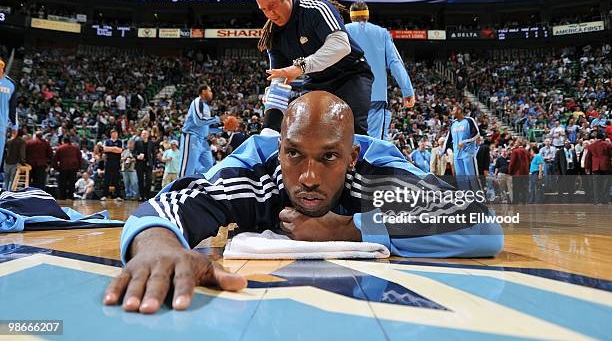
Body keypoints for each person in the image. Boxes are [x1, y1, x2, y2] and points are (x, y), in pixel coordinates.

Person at [103, 91, 503, 314]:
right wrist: (158, 248)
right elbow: (171, 204)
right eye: (295, 155)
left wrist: (349, 228)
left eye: (328, 157)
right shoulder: (254, 170)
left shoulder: (379, 170)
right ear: (279, 152)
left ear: (352, 158)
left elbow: (481, 225)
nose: (309, 177)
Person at [256, 0, 373, 135]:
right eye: (264, 10)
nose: (270, 14)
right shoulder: (273, 34)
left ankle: (366, 160)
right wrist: (269, 128)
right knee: (304, 132)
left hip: (350, 75)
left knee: (352, 131)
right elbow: (279, 80)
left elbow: (341, 45)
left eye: (272, 6)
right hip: (316, 81)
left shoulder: (316, 9)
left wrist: (300, 67)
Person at [345, 1, 415, 140]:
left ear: (351, 17)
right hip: (375, 96)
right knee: (375, 145)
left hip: (347, 97)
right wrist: (407, 91)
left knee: (349, 144)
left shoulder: (342, 31)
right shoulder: (382, 33)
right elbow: (395, 63)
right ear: (367, 16)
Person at [178, 85, 221, 177]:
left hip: (203, 141)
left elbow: (204, 126)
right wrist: (217, 119)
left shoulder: (206, 107)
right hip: (192, 137)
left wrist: (213, 135)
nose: (211, 93)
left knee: (208, 168)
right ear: (203, 91)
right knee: (187, 169)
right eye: (210, 91)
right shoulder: (197, 101)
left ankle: (201, 188)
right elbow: (199, 121)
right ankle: (180, 189)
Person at [444, 105, 481, 192]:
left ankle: (478, 197)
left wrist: (464, 142)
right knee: (461, 179)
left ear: (459, 110)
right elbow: (448, 138)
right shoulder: (453, 123)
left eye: (453, 109)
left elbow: (477, 134)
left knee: (472, 177)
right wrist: (443, 150)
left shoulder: (469, 120)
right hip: (457, 155)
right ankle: (465, 198)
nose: (452, 112)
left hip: (468, 154)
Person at [0, 58, 18, 169]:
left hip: (2, 126)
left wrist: (14, 125)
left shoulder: (11, 84)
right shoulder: (10, 83)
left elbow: (12, 107)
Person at [585, 132, 611, 204]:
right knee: (606, 184)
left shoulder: (591, 146)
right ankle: (604, 200)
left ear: (596, 138)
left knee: (596, 184)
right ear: (603, 137)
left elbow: (588, 158)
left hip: (595, 167)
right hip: (606, 166)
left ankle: (596, 200)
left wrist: (587, 167)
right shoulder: (608, 144)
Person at [134, 130, 156, 201]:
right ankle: (141, 195)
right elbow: (134, 152)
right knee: (140, 180)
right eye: (142, 133)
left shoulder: (151, 143)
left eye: (145, 133)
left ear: (148, 135)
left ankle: (147, 196)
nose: (143, 135)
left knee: (148, 180)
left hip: (148, 163)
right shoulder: (137, 142)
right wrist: (137, 156)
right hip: (140, 163)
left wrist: (154, 165)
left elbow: (154, 155)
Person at [508, 140, 531, 204]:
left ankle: (516, 203)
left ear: (518, 143)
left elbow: (512, 163)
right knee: (524, 188)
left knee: (516, 189)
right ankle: (524, 202)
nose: (514, 144)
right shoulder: (527, 151)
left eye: (515, 143)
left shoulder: (515, 151)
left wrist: (510, 172)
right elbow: (529, 161)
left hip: (517, 173)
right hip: (525, 173)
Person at [103, 130, 123, 200]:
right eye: (113, 133)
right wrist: (115, 148)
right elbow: (105, 149)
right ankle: (104, 195)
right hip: (108, 162)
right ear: (111, 134)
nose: (115, 134)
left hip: (116, 162)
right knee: (106, 179)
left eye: (116, 133)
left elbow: (120, 150)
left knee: (116, 179)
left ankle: (118, 196)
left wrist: (110, 149)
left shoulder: (119, 141)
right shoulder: (107, 141)